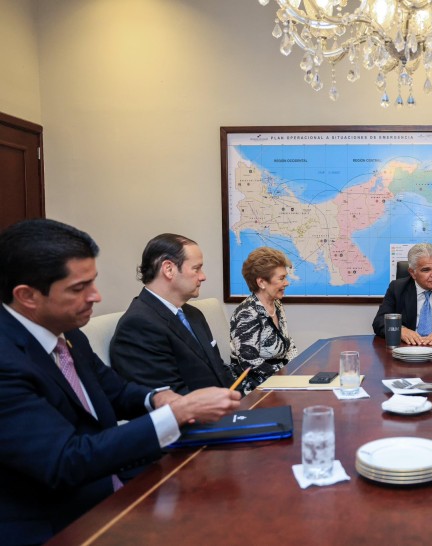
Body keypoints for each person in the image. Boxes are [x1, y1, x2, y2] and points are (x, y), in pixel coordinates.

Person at [0, 219, 241, 545]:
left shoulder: (67, 333)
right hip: (59, 521)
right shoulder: (6, 361)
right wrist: (178, 413)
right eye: (78, 288)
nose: (96, 297)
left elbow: (116, 391)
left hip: (115, 482)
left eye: (93, 282)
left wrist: (159, 399)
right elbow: (65, 460)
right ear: (27, 296)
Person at [110, 233, 235, 393]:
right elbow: (170, 398)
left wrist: (242, 404)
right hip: (196, 415)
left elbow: (219, 370)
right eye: (196, 269)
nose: (203, 276)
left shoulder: (193, 314)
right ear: (169, 269)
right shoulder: (138, 326)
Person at [229, 247, 298, 394]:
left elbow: (288, 343)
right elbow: (249, 363)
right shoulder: (247, 313)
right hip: (254, 389)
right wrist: (284, 378)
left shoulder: (276, 304)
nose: (287, 283)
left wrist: (298, 368)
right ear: (261, 282)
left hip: (278, 382)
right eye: (281, 278)